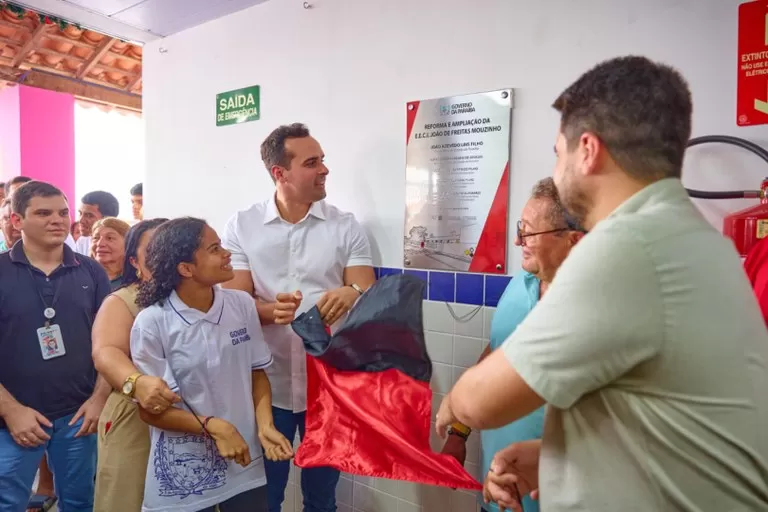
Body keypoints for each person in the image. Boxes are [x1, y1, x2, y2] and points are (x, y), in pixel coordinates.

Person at [436, 55, 768, 512]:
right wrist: (560, 461)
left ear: (588, 150)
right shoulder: (698, 243)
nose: (557, 170)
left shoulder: (629, 247)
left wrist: (454, 403)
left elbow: (483, 402)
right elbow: (676, 425)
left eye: (559, 152)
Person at [221, 123, 375, 512]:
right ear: (280, 173)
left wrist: (352, 292)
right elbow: (234, 303)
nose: (324, 169)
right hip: (265, 387)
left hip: (327, 387)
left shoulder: (345, 225)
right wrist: (268, 311)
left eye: (322, 160)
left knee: (322, 498)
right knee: (263, 496)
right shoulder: (242, 225)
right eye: (311, 163)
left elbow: (366, 288)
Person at [130, 217, 294, 512]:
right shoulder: (153, 322)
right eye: (215, 249)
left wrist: (265, 425)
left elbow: (255, 372)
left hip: (243, 458)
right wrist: (215, 428)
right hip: (185, 469)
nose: (227, 253)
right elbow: (151, 411)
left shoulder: (241, 305)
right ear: (186, 269)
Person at [440, 177, 583, 512]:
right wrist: (459, 433)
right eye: (520, 228)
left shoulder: (590, 307)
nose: (518, 240)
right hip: (496, 492)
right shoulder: (521, 282)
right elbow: (495, 351)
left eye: (529, 232)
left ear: (572, 239)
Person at [0, 180, 112, 512]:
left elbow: (111, 343)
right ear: (17, 220)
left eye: (63, 213)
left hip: (78, 415)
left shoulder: (91, 271)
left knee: (79, 503)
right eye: (43, 213)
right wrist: (10, 410)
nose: (57, 220)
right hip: (12, 420)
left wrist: (99, 399)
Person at [92, 218, 178, 512]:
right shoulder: (124, 300)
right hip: (136, 417)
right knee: (128, 497)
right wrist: (137, 383)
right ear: (134, 261)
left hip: (193, 417)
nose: (166, 256)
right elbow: (106, 352)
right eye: (154, 249)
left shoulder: (202, 299)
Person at [90, 217, 131, 290]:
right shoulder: (81, 278)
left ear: (128, 243)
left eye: (109, 238)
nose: (100, 243)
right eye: (96, 238)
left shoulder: (137, 283)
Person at [75, 191, 120, 256]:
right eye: (80, 213)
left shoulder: (122, 244)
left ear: (107, 219)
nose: (81, 220)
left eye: (89, 215)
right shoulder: (82, 241)